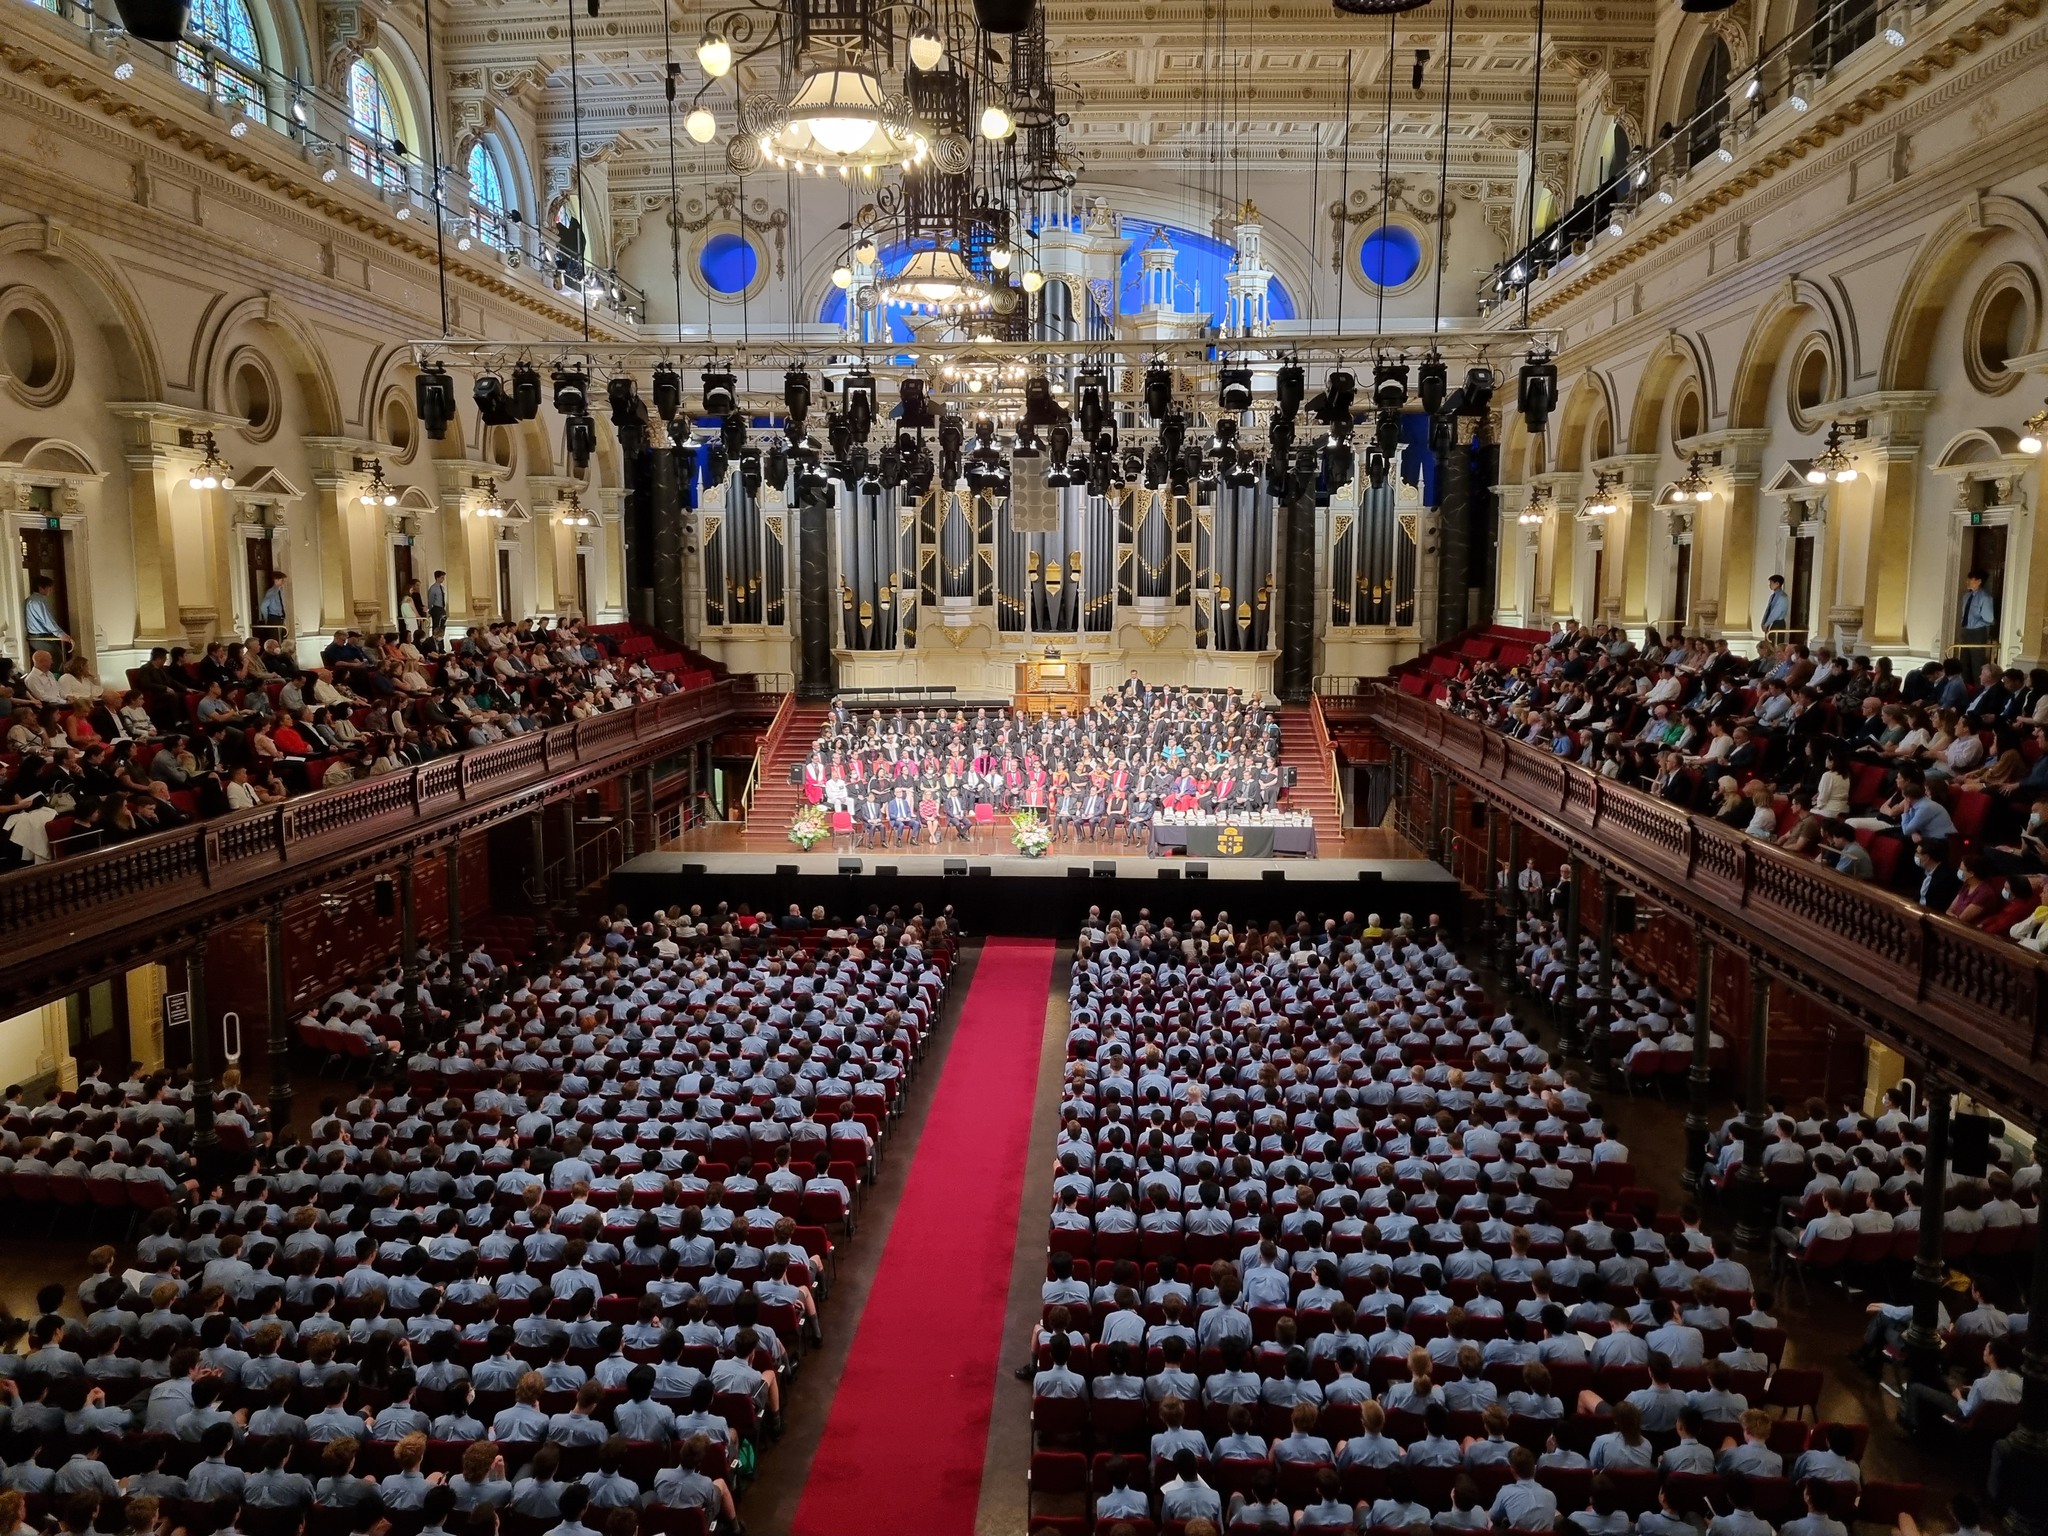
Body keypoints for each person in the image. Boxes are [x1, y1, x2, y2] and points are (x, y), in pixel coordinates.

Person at [25, 576, 70, 666]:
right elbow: (47, 620)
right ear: (41, 587)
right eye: (49, 588)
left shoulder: (34, 600)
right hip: (38, 637)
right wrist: (60, 634)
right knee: (54, 658)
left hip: (40, 637)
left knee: (58, 656)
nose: (50, 591)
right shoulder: (37, 601)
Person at [257, 571, 290, 643]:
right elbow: (263, 606)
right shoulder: (271, 592)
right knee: (275, 639)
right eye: (282, 580)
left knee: (283, 637)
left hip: (280, 617)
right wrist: (267, 617)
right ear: (276, 580)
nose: (283, 583)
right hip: (274, 617)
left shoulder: (280, 591)